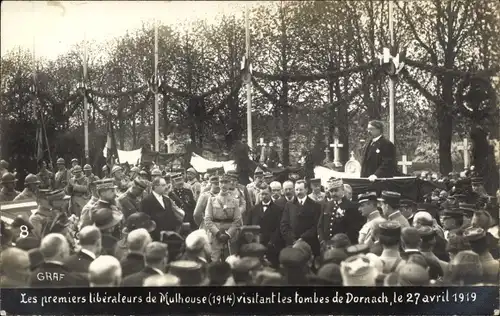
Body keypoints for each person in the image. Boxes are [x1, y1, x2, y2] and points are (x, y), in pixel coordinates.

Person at [204, 174, 243, 262]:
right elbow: (207, 219)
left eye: (226, 182)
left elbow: (237, 220)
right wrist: (217, 233)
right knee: (214, 261)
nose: (223, 185)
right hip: (215, 236)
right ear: (219, 183)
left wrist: (228, 234)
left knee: (231, 261)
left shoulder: (235, 201)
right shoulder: (212, 200)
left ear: (230, 184)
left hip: (230, 236)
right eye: (221, 182)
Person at [244, 185, 284, 267]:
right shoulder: (253, 209)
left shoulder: (278, 209)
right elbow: (248, 226)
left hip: (272, 244)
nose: (263, 196)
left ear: (270, 193)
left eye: (266, 194)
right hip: (256, 243)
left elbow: (279, 227)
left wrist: (272, 241)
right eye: (262, 194)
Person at [281, 180, 321, 257]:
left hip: (309, 243)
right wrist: (292, 239)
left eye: (301, 189)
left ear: (306, 190)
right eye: (296, 190)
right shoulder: (289, 205)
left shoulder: (315, 205)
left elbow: (316, 226)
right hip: (292, 243)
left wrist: (302, 238)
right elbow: (284, 224)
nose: (298, 192)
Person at [318, 178, 363, 246]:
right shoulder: (326, 205)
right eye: (331, 191)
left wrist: (341, 243)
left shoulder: (351, 206)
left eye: (336, 190)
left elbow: (353, 229)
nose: (333, 193)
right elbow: (320, 226)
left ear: (342, 189)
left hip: (342, 246)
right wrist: (322, 240)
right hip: (326, 245)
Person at [140, 177, 185, 241]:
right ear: (155, 186)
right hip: (156, 237)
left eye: (166, 185)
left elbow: (171, 216)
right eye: (163, 185)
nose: (166, 187)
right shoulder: (146, 201)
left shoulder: (167, 199)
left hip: (169, 236)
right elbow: (145, 221)